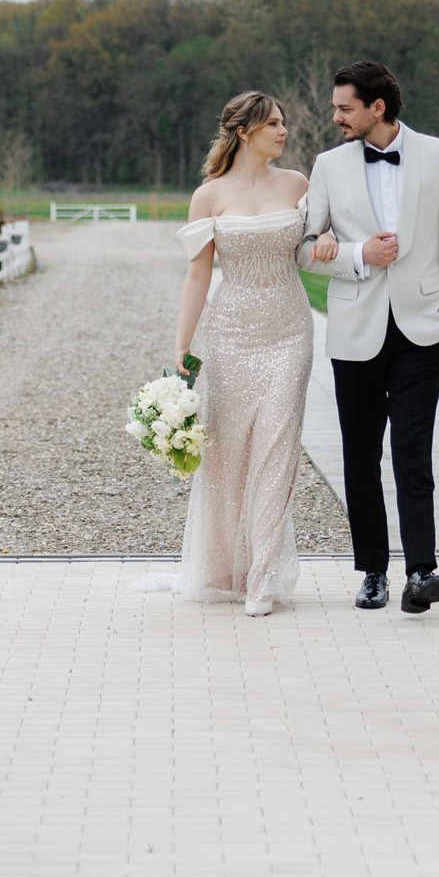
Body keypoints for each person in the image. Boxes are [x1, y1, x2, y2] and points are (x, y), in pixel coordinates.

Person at [296, 60, 439, 614]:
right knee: (359, 453)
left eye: (344, 108)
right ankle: (372, 571)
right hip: (354, 330)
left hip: (423, 328)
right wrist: (356, 255)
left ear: (378, 107)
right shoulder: (328, 165)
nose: (336, 117)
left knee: (412, 451)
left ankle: (421, 571)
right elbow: (303, 248)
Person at [156, 91, 335, 616]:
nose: (284, 131)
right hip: (231, 334)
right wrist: (182, 345)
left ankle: (263, 576)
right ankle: (226, 567)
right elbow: (198, 274)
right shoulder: (208, 196)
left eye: (283, 123)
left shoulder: (298, 185)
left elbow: (318, 238)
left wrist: (325, 237)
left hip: (290, 331)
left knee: (278, 446)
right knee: (230, 455)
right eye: (274, 124)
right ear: (244, 132)